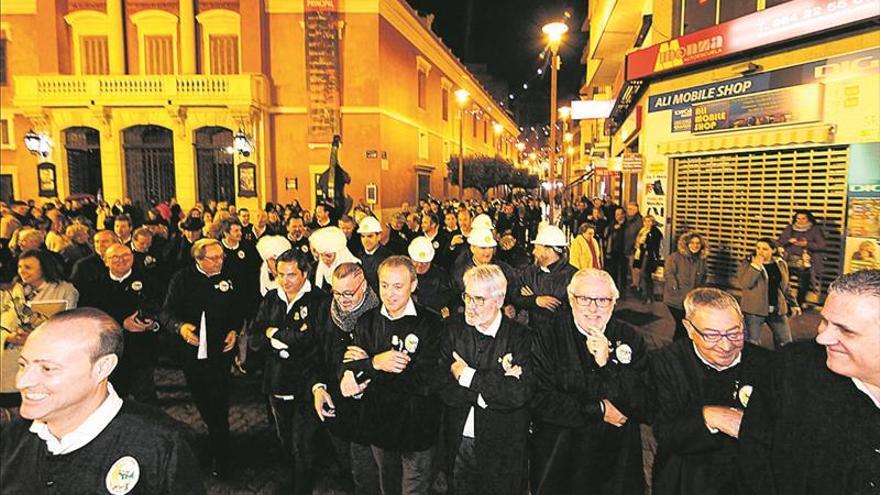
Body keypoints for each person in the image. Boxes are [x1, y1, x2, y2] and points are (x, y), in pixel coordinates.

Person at [0, 308, 205, 494]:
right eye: (23, 364)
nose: (22, 381)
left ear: (102, 368)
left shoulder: (162, 446)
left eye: (47, 368)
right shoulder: (12, 437)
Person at [739, 269, 880, 495]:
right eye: (825, 321)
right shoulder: (791, 367)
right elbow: (754, 449)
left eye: (846, 330)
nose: (822, 337)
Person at [530, 268, 649, 495]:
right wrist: (599, 409)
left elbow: (642, 403)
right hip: (560, 455)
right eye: (585, 299)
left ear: (614, 302)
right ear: (571, 300)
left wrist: (607, 364)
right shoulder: (547, 334)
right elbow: (539, 399)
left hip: (615, 460)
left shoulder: (631, 337)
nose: (593, 308)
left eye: (603, 300)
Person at [650, 288, 771, 495]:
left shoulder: (767, 364)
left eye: (734, 333)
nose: (725, 346)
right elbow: (666, 432)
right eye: (711, 335)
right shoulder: (665, 362)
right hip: (685, 478)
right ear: (688, 329)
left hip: (744, 480)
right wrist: (711, 416)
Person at [341, 256, 444, 495]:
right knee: (387, 487)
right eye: (384, 285)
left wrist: (370, 368)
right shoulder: (366, 322)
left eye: (398, 286)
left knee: (414, 490)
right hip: (381, 426)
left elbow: (428, 380)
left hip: (416, 429)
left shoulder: (431, 323)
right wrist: (376, 362)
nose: (390, 293)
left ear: (413, 285)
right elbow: (352, 366)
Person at [438, 264, 532, 495]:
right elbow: (440, 382)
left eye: (478, 299)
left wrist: (466, 375)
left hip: (503, 446)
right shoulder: (451, 328)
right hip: (458, 439)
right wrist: (493, 388)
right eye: (467, 296)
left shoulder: (521, 337)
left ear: (499, 300)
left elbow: (519, 393)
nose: (469, 306)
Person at [160, 238, 245, 478]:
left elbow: (238, 308)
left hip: (221, 351)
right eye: (214, 258)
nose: (220, 261)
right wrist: (180, 327)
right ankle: (216, 437)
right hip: (192, 351)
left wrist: (234, 330)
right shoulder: (182, 279)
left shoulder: (229, 276)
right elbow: (166, 312)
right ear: (199, 259)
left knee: (219, 399)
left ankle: (223, 453)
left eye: (221, 257)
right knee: (202, 399)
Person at [251, 248, 329, 494]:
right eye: (281, 274)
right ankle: (290, 481)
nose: (285, 280)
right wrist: (287, 337)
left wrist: (274, 333)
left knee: (302, 444)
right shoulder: (272, 299)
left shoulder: (319, 300)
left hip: (307, 383)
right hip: (276, 382)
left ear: (305, 273)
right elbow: (254, 338)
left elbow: (314, 341)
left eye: (291, 274)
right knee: (284, 441)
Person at [310, 263, 381, 494]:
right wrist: (318, 388)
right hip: (337, 407)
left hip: (371, 413)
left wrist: (369, 361)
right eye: (337, 293)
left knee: (368, 475)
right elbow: (315, 354)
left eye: (349, 293)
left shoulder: (380, 314)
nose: (343, 300)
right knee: (345, 465)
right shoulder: (324, 311)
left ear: (364, 286)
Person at [1, 249, 79, 404]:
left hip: (42, 364)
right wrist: (8, 337)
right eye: (20, 267)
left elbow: (67, 328)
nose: (22, 271)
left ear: (44, 267)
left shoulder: (65, 290)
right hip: (7, 366)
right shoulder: (10, 291)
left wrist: (33, 338)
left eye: (28, 267)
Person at [90, 243, 162, 403]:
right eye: (115, 257)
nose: (121, 260)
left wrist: (152, 324)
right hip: (109, 350)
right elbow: (92, 317)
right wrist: (121, 323)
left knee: (146, 398)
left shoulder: (149, 282)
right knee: (113, 398)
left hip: (142, 350)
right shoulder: (95, 285)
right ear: (105, 260)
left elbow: (161, 310)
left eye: (126, 256)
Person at [512, 224, 577, 332]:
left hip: (561, 338)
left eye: (537, 248)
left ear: (548, 251)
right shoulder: (530, 272)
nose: (533, 252)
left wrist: (531, 301)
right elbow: (516, 297)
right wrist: (536, 300)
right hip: (534, 336)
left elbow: (564, 310)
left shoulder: (572, 276)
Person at [738, 238, 800, 348]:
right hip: (754, 311)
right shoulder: (748, 263)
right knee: (753, 343)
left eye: (765, 249)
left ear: (773, 250)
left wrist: (794, 304)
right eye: (758, 248)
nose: (760, 252)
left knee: (786, 342)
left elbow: (786, 287)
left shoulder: (780, 264)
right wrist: (756, 266)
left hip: (777, 310)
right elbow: (745, 283)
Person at [663, 232, 708, 341]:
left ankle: (680, 347)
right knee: (682, 325)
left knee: (685, 326)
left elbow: (703, 278)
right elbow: (669, 273)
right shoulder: (675, 257)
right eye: (692, 243)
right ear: (686, 244)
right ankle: (677, 348)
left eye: (698, 243)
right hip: (676, 299)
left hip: (691, 300)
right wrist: (674, 286)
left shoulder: (701, 260)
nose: (695, 245)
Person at [778, 210, 827, 309]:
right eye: (798, 218)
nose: (800, 221)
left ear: (809, 219)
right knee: (782, 281)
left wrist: (807, 244)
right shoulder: (790, 228)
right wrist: (788, 240)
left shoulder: (815, 229)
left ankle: (798, 304)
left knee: (802, 284)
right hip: (789, 259)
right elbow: (780, 241)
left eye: (803, 218)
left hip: (805, 261)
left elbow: (822, 245)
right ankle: (782, 303)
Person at [409, 236, 454, 318]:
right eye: (416, 262)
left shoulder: (441, 275)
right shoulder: (403, 273)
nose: (419, 266)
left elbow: (446, 299)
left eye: (423, 263)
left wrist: (418, 299)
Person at [310, 226, 361, 293]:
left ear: (339, 253)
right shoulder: (315, 269)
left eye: (328, 256)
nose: (324, 260)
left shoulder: (355, 269)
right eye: (321, 255)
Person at [633, 214, 663, 304]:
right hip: (642, 255)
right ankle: (647, 295)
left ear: (653, 222)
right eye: (645, 221)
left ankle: (648, 296)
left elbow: (654, 245)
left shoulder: (655, 232)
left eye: (649, 221)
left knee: (646, 275)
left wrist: (645, 245)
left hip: (649, 256)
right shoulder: (643, 231)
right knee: (644, 275)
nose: (647, 223)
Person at [357, 216, 391, 293]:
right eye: (363, 236)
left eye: (370, 236)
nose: (366, 240)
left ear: (379, 236)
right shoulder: (357, 256)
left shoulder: (388, 257)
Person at [623, 203, 643, 296]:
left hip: (634, 248)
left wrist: (634, 246)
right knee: (632, 267)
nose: (628, 210)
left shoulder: (638, 221)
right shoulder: (628, 220)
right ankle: (634, 283)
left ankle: (637, 285)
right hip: (629, 246)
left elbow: (636, 235)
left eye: (631, 209)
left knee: (635, 267)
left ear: (636, 210)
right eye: (628, 208)